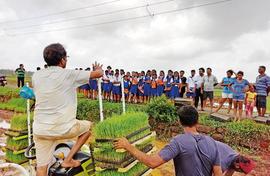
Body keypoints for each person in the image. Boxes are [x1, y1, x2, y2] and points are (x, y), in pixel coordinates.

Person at [32, 43, 103, 176]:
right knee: (90, 127)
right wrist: (98, 68)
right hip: (64, 128)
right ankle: (68, 160)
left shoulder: (36, 76)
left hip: (40, 129)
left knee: (41, 168)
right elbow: (98, 74)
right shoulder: (69, 74)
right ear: (62, 59)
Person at [114, 106, 223, 176]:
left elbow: (152, 163)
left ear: (179, 122)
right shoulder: (211, 142)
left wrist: (128, 146)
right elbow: (218, 173)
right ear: (197, 120)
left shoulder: (178, 142)